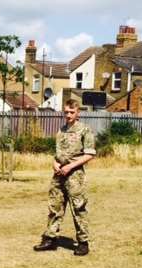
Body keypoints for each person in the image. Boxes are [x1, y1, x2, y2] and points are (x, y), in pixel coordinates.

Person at [34, 99, 96, 256]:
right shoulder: (61, 131)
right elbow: (58, 154)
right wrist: (54, 163)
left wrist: (70, 166)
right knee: (54, 207)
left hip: (75, 175)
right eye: (66, 112)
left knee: (79, 208)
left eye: (71, 112)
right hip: (59, 175)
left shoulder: (85, 130)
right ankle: (50, 238)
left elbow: (89, 154)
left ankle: (83, 242)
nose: (68, 115)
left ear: (77, 113)